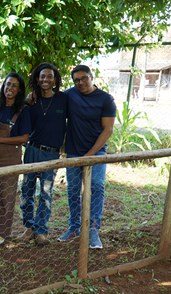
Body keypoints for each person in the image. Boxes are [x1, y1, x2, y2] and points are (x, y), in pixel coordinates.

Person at [58, 65, 116, 249]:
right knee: (73, 189)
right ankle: (75, 227)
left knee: (96, 187)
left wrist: (89, 155)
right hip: (73, 151)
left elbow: (108, 130)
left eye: (84, 78)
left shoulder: (106, 99)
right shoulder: (69, 95)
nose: (80, 83)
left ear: (92, 77)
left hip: (96, 152)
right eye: (76, 80)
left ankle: (93, 230)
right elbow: (50, 104)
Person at [18, 63, 68, 245]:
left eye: (49, 76)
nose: (45, 79)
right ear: (37, 79)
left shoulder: (64, 99)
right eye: (42, 76)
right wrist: (25, 101)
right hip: (32, 150)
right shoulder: (31, 101)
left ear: (55, 80)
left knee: (46, 193)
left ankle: (41, 231)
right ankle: (29, 227)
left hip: (51, 154)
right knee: (27, 191)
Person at [0, 72, 31, 246]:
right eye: (8, 84)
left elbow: (24, 138)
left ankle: (0, 234)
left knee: (6, 197)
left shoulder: (23, 111)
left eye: (14, 86)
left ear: (19, 90)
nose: (10, 88)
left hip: (11, 158)